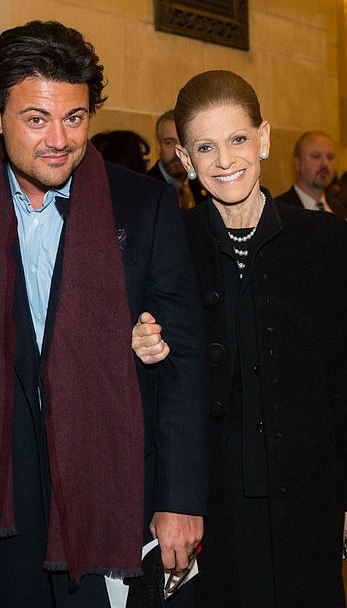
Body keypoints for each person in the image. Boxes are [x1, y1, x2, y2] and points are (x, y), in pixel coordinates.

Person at [0, 20, 208, 608]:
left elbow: (183, 366)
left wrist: (181, 497)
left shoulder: (144, 206)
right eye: (36, 119)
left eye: (75, 117)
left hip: (115, 494)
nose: (59, 139)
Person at [138, 69, 347, 607]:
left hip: (307, 503)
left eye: (237, 140)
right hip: (210, 505)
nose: (225, 160)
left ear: (265, 138)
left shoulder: (325, 240)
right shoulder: (169, 243)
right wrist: (139, 344)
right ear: (185, 160)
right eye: (205, 147)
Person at [274, 130, 347, 218]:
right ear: (298, 163)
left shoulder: (339, 209)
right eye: (316, 157)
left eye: (330, 157)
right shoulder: (278, 210)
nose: (325, 163)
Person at [147, 109, 207, 209]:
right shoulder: (147, 188)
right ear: (158, 146)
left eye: (183, 142)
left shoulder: (203, 183)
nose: (177, 151)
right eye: (169, 143)